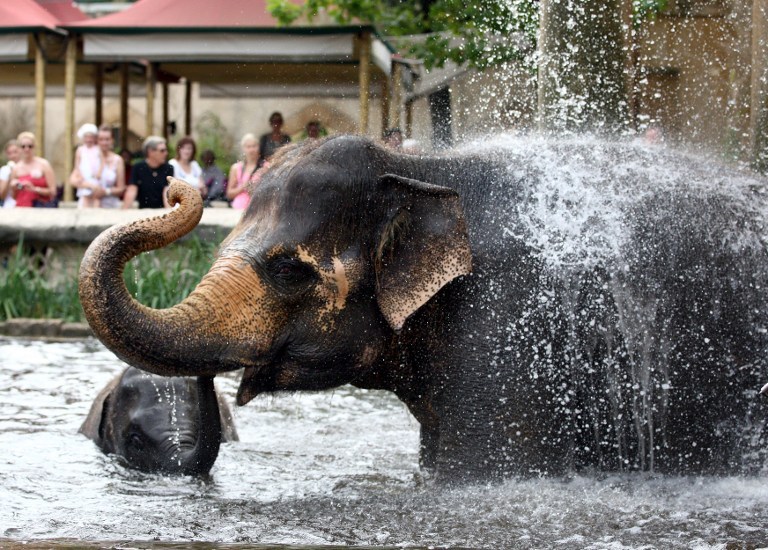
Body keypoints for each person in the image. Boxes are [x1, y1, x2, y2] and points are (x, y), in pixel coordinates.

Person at [8, 131, 57, 208]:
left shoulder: (44, 164)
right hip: (21, 208)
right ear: (19, 148)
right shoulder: (16, 168)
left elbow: (53, 191)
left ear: (34, 147)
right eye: (23, 146)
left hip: (40, 208)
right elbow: (14, 197)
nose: (26, 149)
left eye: (30, 146)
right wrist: (14, 187)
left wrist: (34, 189)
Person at [123, 135, 173, 209]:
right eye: (162, 150)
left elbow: (167, 192)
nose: (166, 153)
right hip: (143, 212)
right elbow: (132, 190)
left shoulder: (168, 168)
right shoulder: (138, 167)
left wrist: (168, 213)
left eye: (166, 150)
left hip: (161, 212)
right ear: (150, 151)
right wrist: (124, 211)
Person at [227, 133, 261, 210]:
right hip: (238, 208)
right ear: (243, 149)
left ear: (258, 147)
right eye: (248, 147)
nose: (251, 149)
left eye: (254, 146)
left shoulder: (266, 166)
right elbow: (229, 194)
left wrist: (255, 189)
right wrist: (243, 187)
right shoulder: (236, 168)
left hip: (257, 209)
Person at [71, 123, 101, 208]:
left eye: (91, 137)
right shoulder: (80, 150)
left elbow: (101, 162)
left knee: (96, 197)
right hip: (84, 177)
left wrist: (99, 172)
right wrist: (79, 174)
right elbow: (77, 165)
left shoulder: (98, 149)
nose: (89, 139)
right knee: (85, 196)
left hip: (95, 177)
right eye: (86, 137)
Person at [0, 139, 20, 208]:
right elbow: (2, 195)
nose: (13, 156)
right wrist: (10, 175)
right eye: (9, 153)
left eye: (15, 152)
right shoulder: (5, 170)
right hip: (9, 206)